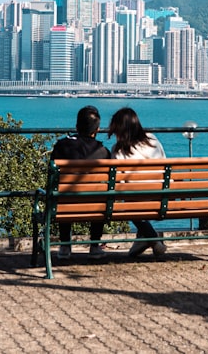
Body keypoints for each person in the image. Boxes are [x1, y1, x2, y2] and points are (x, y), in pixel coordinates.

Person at [50, 105, 110, 260]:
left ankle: (65, 246)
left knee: (64, 195)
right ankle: (95, 245)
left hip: (64, 205)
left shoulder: (62, 145)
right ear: (97, 130)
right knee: (100, 197)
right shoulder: (103, 152)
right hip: (96, 206)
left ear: (76, 127)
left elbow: (52, 175)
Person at [107, 107, 167, 258]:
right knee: (133, 200)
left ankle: (153, 240)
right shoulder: (153, 140)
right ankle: (145, 237)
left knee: (128, 203)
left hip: (136, 201)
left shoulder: (118, 150)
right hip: (161, 197)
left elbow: (116, 182)